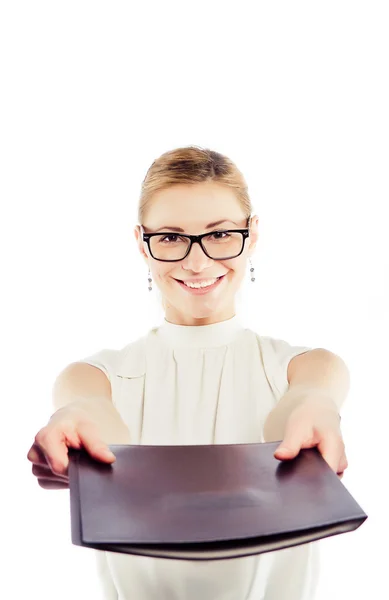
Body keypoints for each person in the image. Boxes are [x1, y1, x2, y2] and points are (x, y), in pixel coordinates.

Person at [27, 146, 350, 600]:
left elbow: (309, 398)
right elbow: (90, 411)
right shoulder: (96, 375)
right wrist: (80, 434)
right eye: (172, 238)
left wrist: (315, 411)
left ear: (252, 234)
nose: (197, 263)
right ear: (142, 242)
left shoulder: (307, 366)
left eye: (220, 235)